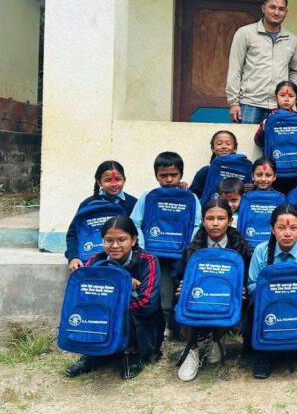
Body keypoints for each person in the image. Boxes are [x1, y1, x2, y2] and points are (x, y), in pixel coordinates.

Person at [64, 216, 163, 380]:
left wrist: (108, 296)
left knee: (127, 314)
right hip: (106, 317)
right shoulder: (95, 261)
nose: (115, 246)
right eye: (109, 240)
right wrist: (122, 284)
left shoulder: (148, 261)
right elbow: (83, 297)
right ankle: (94, 354)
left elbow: (146, 304)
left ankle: (132, 355)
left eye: (122, 240)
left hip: (138, 322)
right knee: (91, 312)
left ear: (133, 240)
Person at [175, 198, 252, 382]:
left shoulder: (241, 248)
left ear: (230, 221)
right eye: (210, 218)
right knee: (183, 300)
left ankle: (217, 339)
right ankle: (192, 348)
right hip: (200, 297)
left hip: (226, 299)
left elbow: (246, 278)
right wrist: (182, 288)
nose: (215, 223)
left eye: (221, 218)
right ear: (203, 221)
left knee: (235, 300)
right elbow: (181, 275)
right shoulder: (193, 248)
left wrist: (243, 290)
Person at [130, 152, 202, 340]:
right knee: (157, 289)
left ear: (181, 175)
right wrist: (144, 246)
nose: (169, 179)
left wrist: (188, 246)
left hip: (181, 254)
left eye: (173, 175)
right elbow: (135, 222)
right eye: (163, 175)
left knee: (181, 287)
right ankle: (160, 326)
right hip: (154, 254)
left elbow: (197, 224)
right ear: (156, 176)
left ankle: (181, 326)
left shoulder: (191, 198)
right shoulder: (148, 197)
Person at [247, 204, 297, 379]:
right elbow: (252, 285)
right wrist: (275, 293)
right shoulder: (261, 251)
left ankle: (295, 344)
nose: (287, 233)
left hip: (296, 305)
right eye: (281, 228)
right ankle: (264, 353)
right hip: (267, 305)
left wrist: (286, 293)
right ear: (273, 229)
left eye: (293, 228)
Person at [226, 0, 297, 125]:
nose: (277, 12)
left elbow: (294, 72)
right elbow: (235, 68)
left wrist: (292, 100)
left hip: (279, 106)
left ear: (286, 12)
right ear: (263, 8)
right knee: (247, 139)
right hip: (250, 103)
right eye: (272, 7)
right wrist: (234, 102)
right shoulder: (245, 33)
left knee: (279, 139)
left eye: (281, 9)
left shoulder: (292, 39)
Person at [65, 161, 137, 272]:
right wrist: (73, 257)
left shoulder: (132, 203)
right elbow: (72, 234)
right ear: (99, 182)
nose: (114, 184)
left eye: (118, 179)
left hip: (122, 262)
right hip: (91, 261)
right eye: (108, 180)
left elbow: (137, 233)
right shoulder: (87, 205)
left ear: (124, 180)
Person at [188, 130, 249, 201]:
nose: (224, 147)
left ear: (235, 148)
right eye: (219, 144)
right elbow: (193, 195)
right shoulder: (206, 171)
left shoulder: (244, 171)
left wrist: (251, 187)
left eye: (228, 144)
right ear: (213, 148)